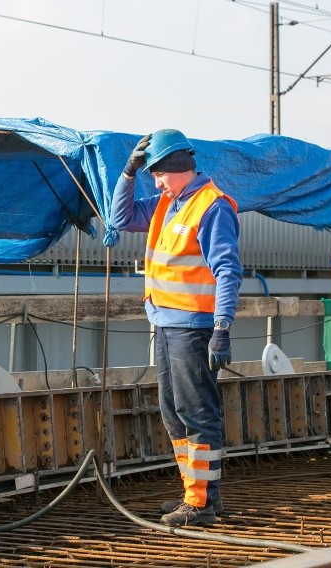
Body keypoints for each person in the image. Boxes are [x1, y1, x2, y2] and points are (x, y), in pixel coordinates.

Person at [109, 129, 242, 527]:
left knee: (197, 412)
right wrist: (127, 174)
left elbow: (227, 270)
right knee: (173, 412)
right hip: (166, 323)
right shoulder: (167, 203)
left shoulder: (211, 207)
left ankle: (201, 504)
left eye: (157, 173)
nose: (155, 180)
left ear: (177, 168)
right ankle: (195, 494)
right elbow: (120, 218)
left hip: (194, 326)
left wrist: (222, 326)